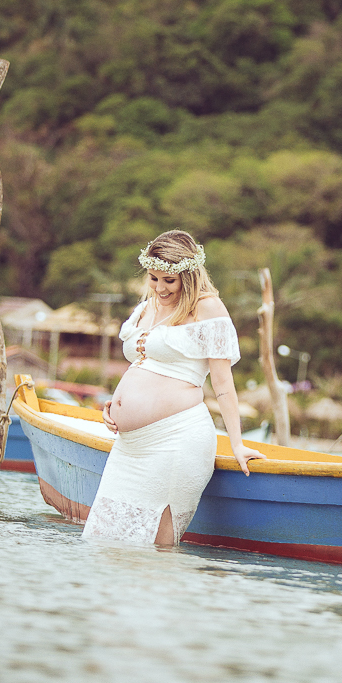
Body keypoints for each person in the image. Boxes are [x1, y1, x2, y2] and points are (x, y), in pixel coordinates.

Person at [83, 230, 264, 547]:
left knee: (155, 550)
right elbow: (144, 365)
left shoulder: (207, 308)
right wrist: (117, 404)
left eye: (169, 280)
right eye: (153, 278)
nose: (159, 288)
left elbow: (223, 385)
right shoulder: (146, 306)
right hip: (130, 446)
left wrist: (237, 444)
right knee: (101, 542)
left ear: (189, 275)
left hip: (176, 441)